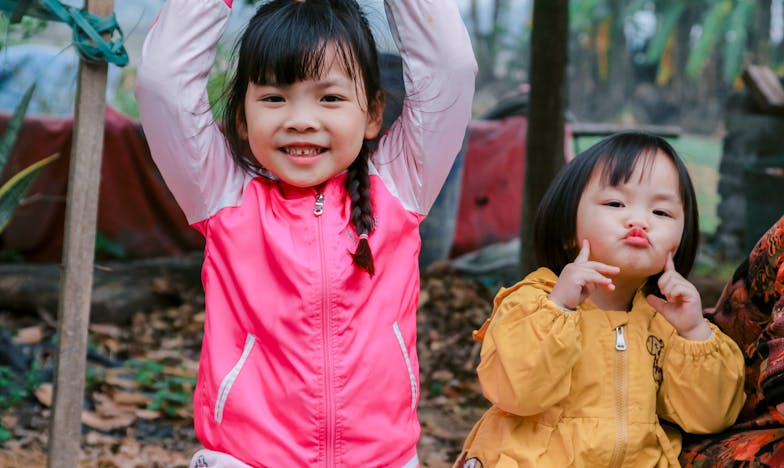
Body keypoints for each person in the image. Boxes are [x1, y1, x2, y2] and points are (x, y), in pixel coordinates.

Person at [134, 0, 476, 466]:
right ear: (242, 116)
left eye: (330, 98)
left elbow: (450, 69)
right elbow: (162, 83)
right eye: (274, 98)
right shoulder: (221, 193)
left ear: (373, 112)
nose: (300, 119)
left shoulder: (401, 185)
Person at [455, 132, 746, 467]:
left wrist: (694, 332)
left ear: (681, 240)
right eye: (615, 204)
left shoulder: (668, 321)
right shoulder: (534, 302)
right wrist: (560, 308)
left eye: (662, 212)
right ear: (567, 228)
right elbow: (516, 392)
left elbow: (710, 416)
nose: (639, 221)